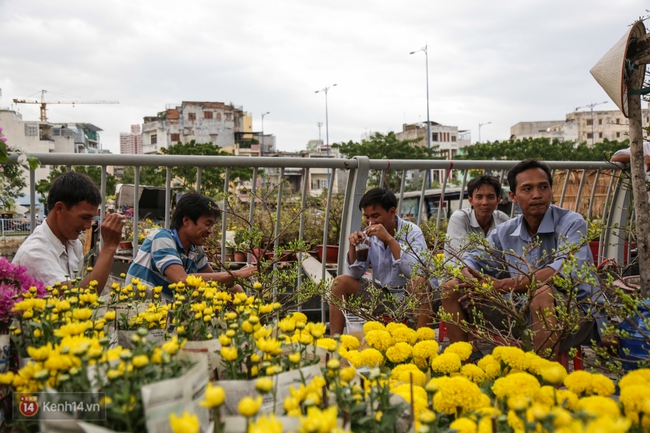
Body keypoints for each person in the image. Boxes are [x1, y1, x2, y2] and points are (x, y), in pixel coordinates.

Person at [441, 159, 605, 357]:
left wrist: (502, 285)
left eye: (543, 187)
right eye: (527, 189)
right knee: (451, 287)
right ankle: (463, 365)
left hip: (576, 312)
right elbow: (471, 260)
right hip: (521, 310)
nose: (537, 195)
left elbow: (560, 271)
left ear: (551, 190)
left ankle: (542, 378)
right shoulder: (505, 231)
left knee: (542, 292)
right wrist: (471, 279)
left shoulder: (571, 222)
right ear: (513, 196)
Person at [328, 187, 427, 335]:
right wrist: (354, 246)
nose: (370, 222)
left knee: (418, 282)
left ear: (392, 212)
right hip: (385, 296)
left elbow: (416, 272)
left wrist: (389, 239)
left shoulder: (412, 232)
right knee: (339, 282)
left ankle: (422, 343)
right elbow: (355, 274)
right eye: (367, 217)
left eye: (375, 216)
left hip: (411, 297)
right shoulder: (369, 236)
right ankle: (334, 344)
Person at [415, 175, 510, 327]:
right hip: (459, 275)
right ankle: (467, 346)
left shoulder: (503, 220)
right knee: (450, 288)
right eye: (479, 197)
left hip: (490, 278)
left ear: (498, 200)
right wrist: (477, 283)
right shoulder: (460, 218)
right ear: (470, 200)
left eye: (490, 197)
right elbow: (458, 260)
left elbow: (508, 257)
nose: (485, 202)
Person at [125, 192, 257, 300]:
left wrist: (243, 277)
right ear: (186, 220)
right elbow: (181, 280)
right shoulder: (162, 238)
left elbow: (215, 282)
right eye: (207, 224)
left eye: (211, 225)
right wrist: (236, 274)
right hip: (142, 308)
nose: (210, 230)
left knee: (234, 290)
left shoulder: (195, 250)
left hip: (171, 308)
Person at [13, 172, 124, 292]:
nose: (88, 226)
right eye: (84, 218)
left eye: (91, 218)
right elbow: (76, 300)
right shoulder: (34, 252)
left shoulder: (74, 244)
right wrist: (109, 247)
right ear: (59, 209)